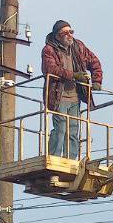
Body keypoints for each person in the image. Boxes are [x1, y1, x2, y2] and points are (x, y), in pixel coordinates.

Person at [42, 20, 103, 159]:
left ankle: (70, 159)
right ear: (57, 36)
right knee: (61, 128)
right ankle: (54, 158)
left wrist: (97, 80)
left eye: (71, 32)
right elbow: (50, 69)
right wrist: (74, 75)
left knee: (73, 129)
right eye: (65, 33)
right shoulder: (49, 50)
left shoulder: (78, 46)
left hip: (75, 96)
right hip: (58, 96)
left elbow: (94, 62)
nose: (70, 35)